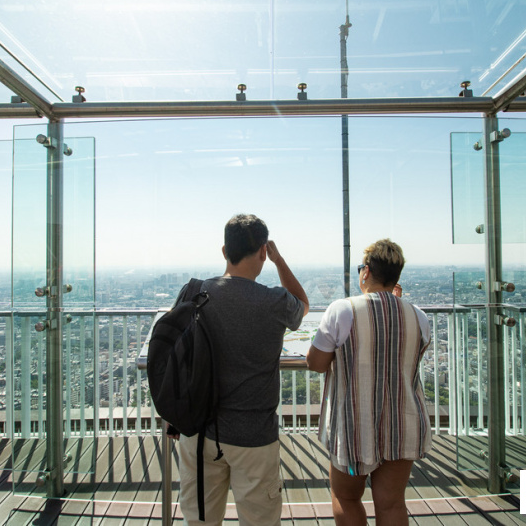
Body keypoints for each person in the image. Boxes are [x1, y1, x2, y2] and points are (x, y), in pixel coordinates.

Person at [176, 213, 309, 526]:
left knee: (199, 521)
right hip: (254, 435)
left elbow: (177, 357)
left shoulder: (192, 293)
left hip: (197, 430)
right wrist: (278, 261)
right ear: (263, 251)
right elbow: (302, 303)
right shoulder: (273, 301)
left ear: (224, 251)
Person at [306, 239, 432, 526]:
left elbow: (316, 363)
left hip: (354, 427)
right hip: (403, 423)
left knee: (347, 498)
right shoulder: (418, 316)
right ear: (396, 277)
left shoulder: (343, 310)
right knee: (391, 504)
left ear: (365, 272)